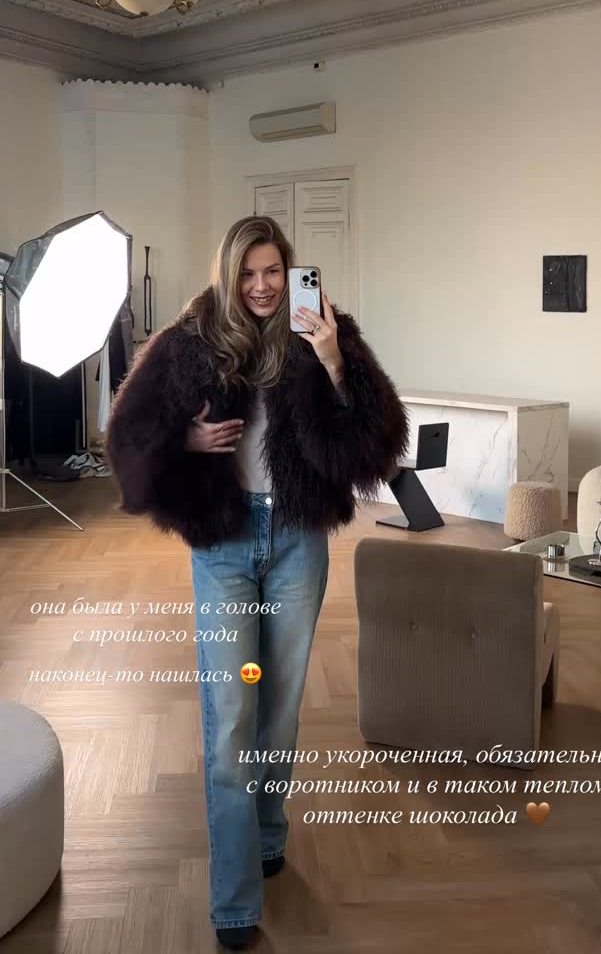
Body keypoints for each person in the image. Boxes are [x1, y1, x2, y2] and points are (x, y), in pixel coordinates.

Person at [105, 215, 408, 949]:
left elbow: (377, 443)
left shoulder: (326, 332)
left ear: (290, 271)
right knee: (232, 719)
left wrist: (335, 363)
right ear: (228, 274)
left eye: (274, 271)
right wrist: (184, 440)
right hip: (225, 546)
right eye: (248, 273)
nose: (263, 286)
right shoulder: (190, 341)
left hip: (299, 541)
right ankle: (235, 902)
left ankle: (269, 834)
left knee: (280, 708)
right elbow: (126, 436)